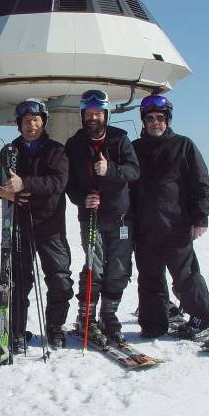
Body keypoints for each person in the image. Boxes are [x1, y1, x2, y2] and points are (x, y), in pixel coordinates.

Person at [0, 98, 73, 352]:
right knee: (19, 282)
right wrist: (2, 192)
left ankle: (55, 328)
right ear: (19, 125)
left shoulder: (56, 150)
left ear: (43, 122)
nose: (31, 125)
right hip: (19, 226)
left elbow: (57, 183)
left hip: (50, 226)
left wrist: (24, 183)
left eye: (35, 120)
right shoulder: (9, 151)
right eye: (26, 121)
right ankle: (16, 332)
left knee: (60, 280)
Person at [131, 95, 209, 339]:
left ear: (167, 120)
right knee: (149, 279)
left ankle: (204, 317)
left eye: (160, 118)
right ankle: (153, 323)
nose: (155, 122)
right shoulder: (135, 148)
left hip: (176, 226)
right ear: (144, 121)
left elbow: (201, 184)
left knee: (185, 277)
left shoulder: (183, 145)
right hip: (145, 228)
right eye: (149, 118)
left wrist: (200, 217)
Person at [65, 90, 140, 345]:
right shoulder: (74, 145)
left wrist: (110, 170)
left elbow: (133, 171)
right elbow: (69, 183)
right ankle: (86, 319)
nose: (93, 118)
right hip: (92, 218)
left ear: (105, 114)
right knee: (93, 268)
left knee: (119, 270)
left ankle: (109, 316)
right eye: (89, 114)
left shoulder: (120, 139)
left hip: (120, 218)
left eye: (98, 113)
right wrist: (81, 199)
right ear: (83, 115)